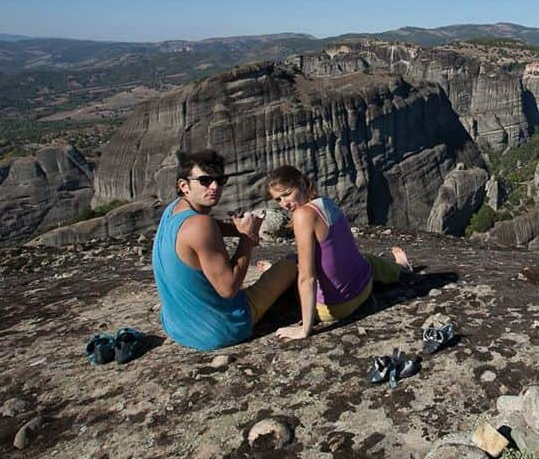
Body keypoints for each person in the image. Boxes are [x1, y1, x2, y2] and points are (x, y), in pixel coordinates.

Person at [152, 149, 298, 351]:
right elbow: (228, 289)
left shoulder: (174, 210)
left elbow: (206, 226)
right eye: (205, 181)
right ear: (184, 185)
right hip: (220, 329)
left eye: (220, 180)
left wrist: (236, 229)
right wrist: (247, 237)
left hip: (178, 327)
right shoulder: (200, 225)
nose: (214, 187)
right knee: (294, 261)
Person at [264, 165, 411, 341]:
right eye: (278, 199)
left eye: (287, 194)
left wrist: (305, 329)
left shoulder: (302, 215)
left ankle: (273, 274)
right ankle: (400, 269)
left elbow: (307, 278)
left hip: (336, 307)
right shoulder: (325, 202)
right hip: (363, 286)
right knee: (367, 260)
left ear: (302, 182)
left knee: (292, 271)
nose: (285, 203)